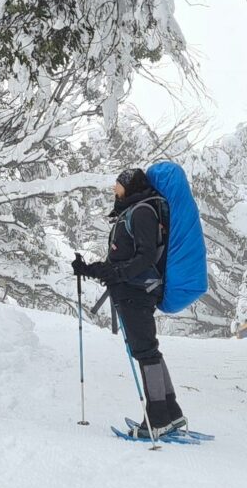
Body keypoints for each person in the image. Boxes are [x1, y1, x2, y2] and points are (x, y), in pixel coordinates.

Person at [73, 167, 188, 438]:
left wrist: (119, 274)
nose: (115, 188)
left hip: (136, 291)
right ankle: (171, 413)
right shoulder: (133, 211)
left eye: (119, 184)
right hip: (131, 288)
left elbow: (145, 257)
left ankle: (157, 418)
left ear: (130, 186)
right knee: (148, 351)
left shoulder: (142, 212)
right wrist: (86, 269)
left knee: (145, 352)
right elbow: (120, 262)